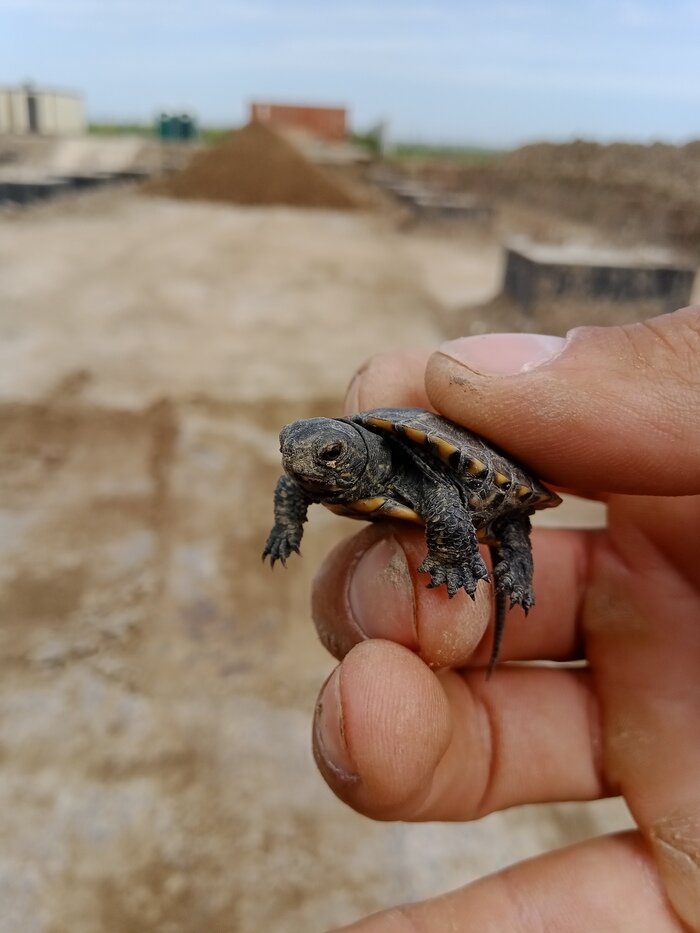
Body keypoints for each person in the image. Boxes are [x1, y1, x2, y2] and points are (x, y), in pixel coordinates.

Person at [310, 307, 700, 932]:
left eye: (327, 456)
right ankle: (504, 574)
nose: (306, 468)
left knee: (509, 538)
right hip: (452, 502)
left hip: (484, 492)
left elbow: (441, 495)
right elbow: (298, 484)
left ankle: (509, 570)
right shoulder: (327, 473)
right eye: (296, 455)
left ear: (353, 450)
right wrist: (287, 519)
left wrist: (456, 556)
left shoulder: (398, 454)